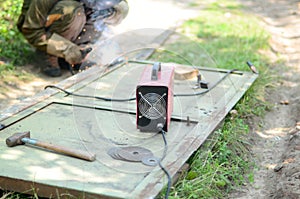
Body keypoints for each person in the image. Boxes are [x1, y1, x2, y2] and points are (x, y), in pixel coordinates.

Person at [17, 0, 129, 77]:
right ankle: (49, 54)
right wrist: (67, 49)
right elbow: (32, 31)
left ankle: (80, 53)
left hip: (76, 20)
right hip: (45, 26)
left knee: (105, 11)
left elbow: (120, 5)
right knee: (72, 10)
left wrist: (112, 13)